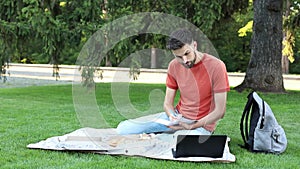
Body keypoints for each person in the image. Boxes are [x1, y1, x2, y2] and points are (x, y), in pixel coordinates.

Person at [116, 28, 230, 135]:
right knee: (124, 129)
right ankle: (170, 133)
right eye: (179, 57)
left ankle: (174, 135)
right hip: (178, 117)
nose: (185, 60)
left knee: (181, 143)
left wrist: (192, 126)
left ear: (194, 45)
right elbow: (167, 103)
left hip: (201, 124)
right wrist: (171, 116)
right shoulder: (173, 66)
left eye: (187, 53)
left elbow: (220, 111)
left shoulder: (217, 66)